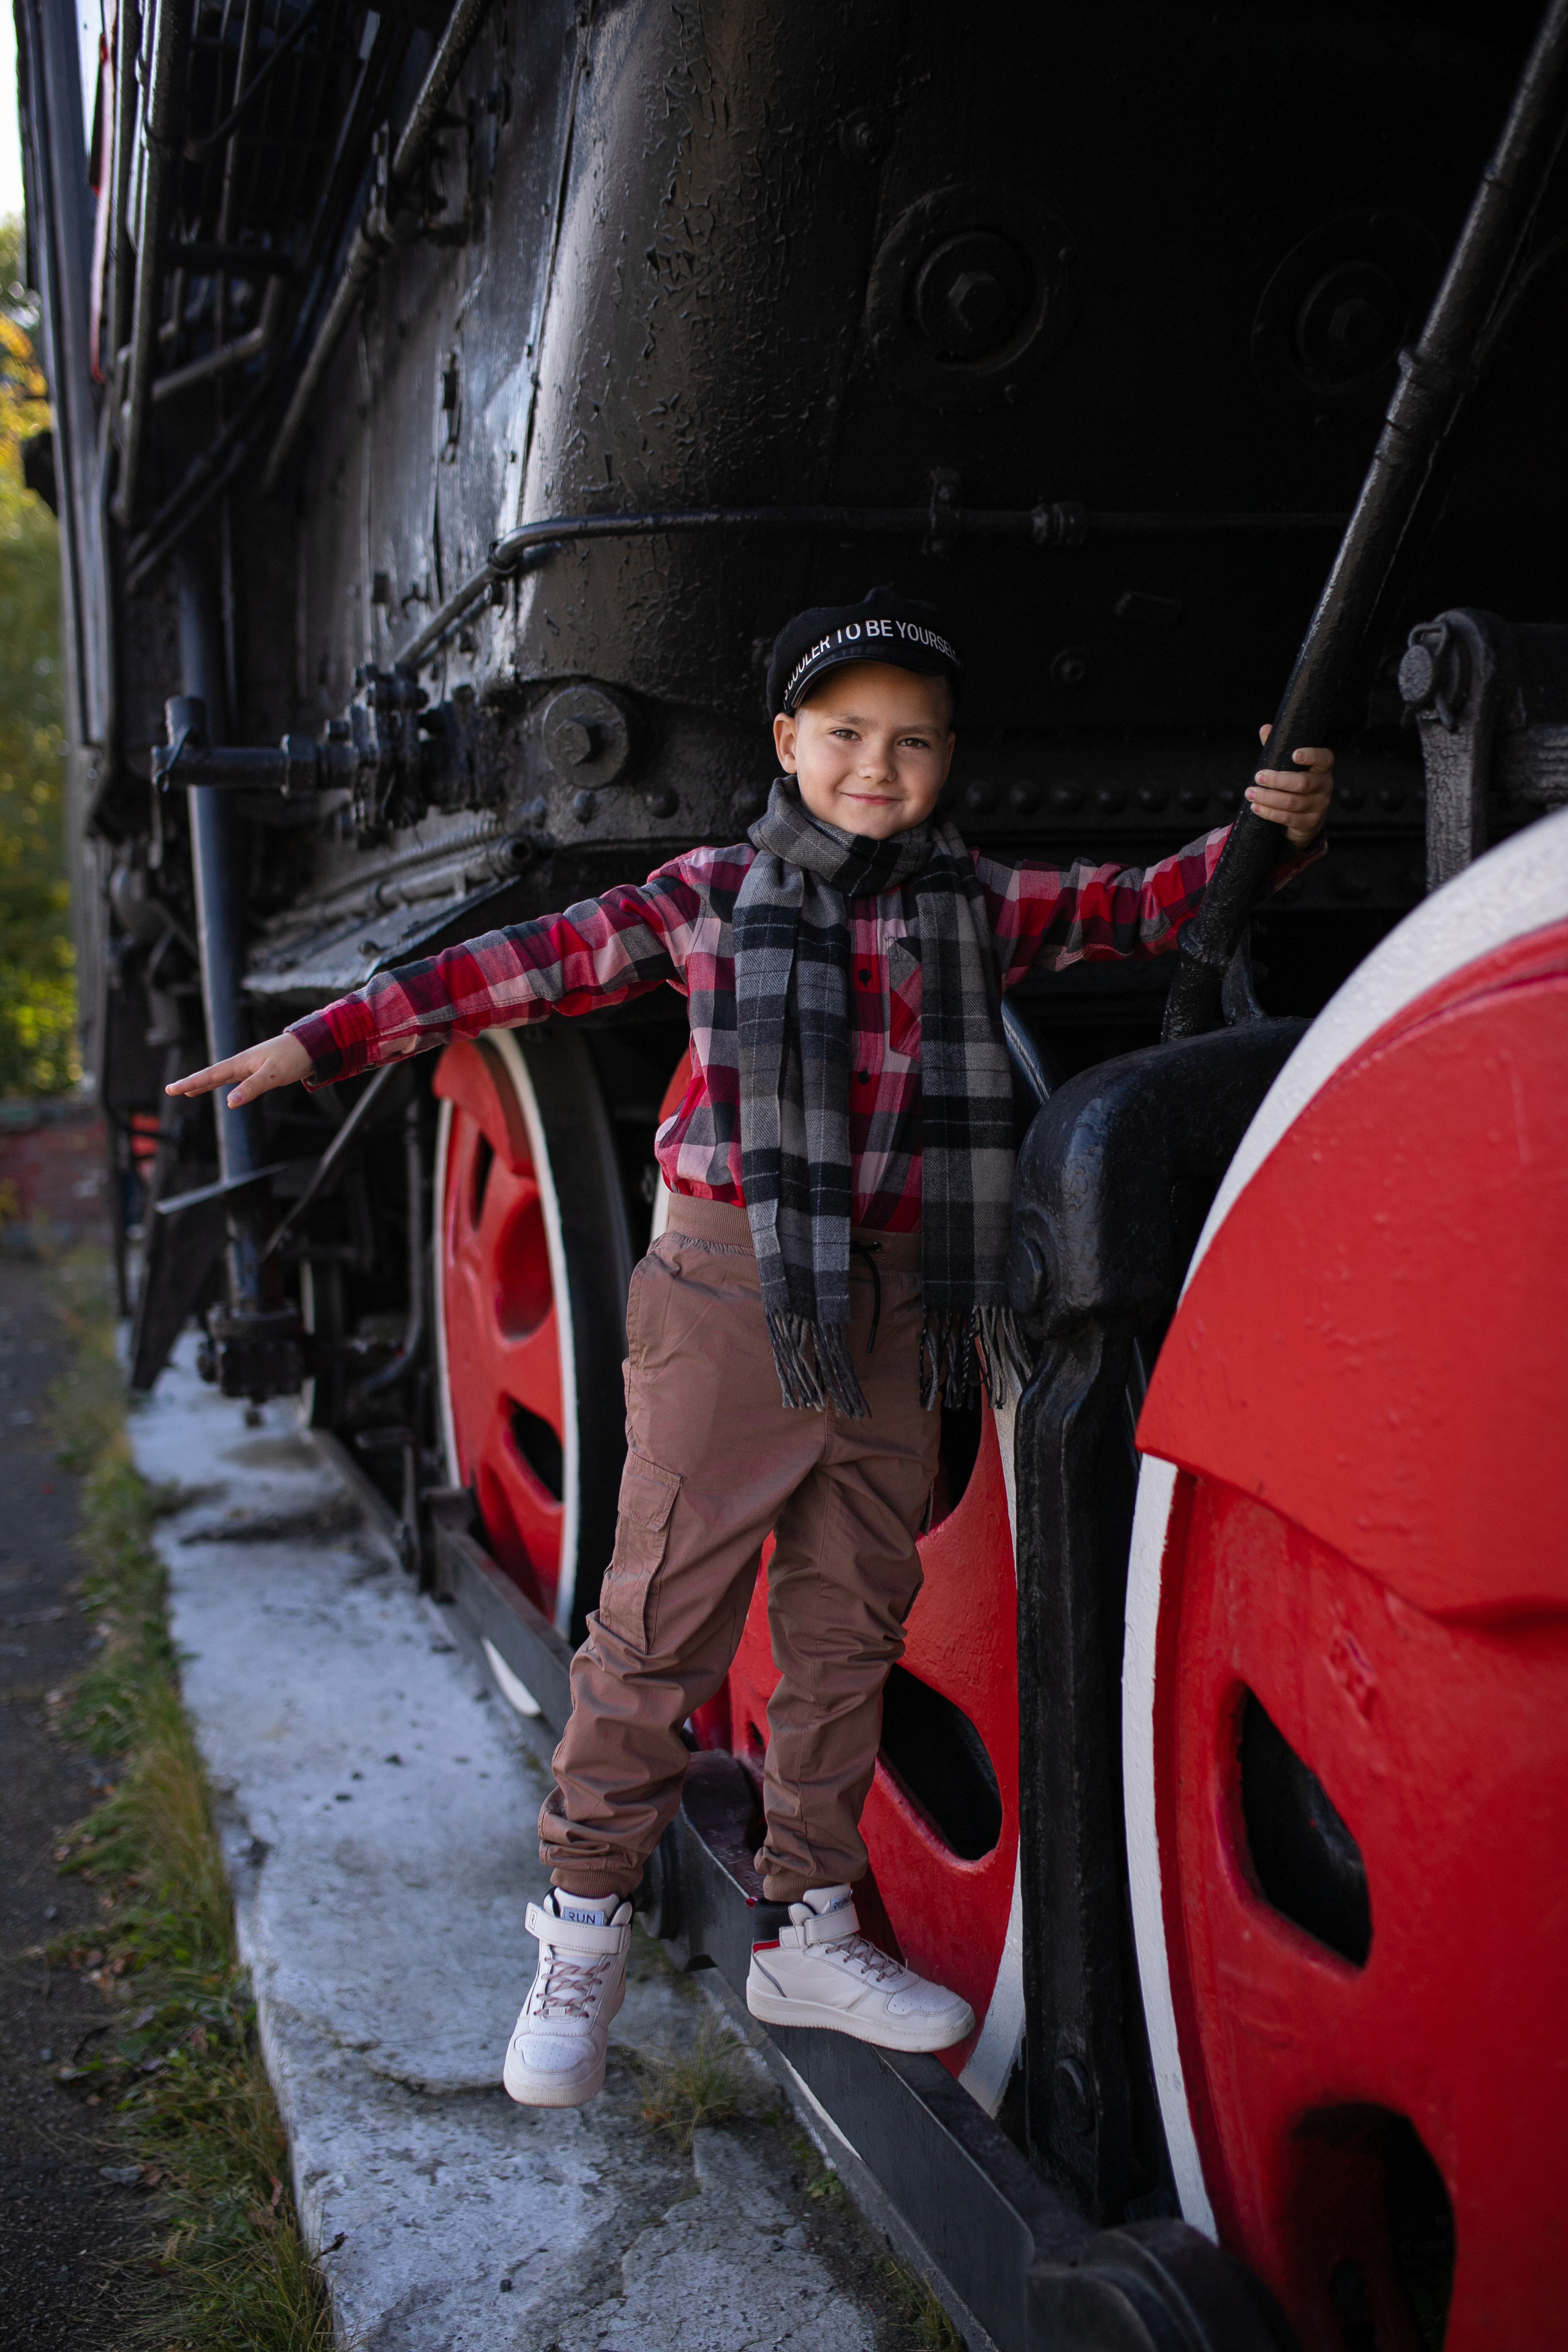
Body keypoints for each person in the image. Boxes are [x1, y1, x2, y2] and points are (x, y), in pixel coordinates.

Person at [168, 586, 1332, 2109]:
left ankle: (811, 1920)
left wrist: (1273, 831)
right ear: (786, 743)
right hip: (732, 1297)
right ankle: (582, 1925)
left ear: (946, 757)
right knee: (660, 1618)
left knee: (850, 1625)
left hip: (903, 1301)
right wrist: (323, 1037)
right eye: (844, 733)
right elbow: (512, 966)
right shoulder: (707, 892)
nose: (876, 765)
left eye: (912, 741)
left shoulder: (969, 901)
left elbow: (1142, 905)